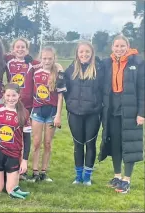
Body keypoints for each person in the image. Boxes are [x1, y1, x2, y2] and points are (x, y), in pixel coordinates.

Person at [99, 35, 144, 193]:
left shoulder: (137, 63)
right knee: (116, 144)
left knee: (129, 145)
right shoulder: (107, 63)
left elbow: (142, 89)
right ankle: (117, 176)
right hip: (113, 111)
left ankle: (127, 180)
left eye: (122, 46)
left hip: (130, 111)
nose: (119, 49)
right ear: (112, 47)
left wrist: (141, 113)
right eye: (116, 46)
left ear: (128, 46)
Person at [63, 41, 104, 186]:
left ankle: (87, 177)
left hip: (93, 113)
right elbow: (64, 89)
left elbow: (104, 90)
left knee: (90, 144)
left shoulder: (99, 69)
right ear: (77, 53)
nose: (84, 54)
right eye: (81, 52)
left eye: (87, 52)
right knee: (78, 145)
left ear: (92, 53)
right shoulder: (70, 69)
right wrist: (70, 104)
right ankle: (78, 176)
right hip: (74, 113)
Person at [26, 47, 65, 183]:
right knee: (36, 142)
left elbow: (60, 96)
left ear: (54, 59)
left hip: (52, 112)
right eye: (44, 58)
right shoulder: (35, 71)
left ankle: (44, 172)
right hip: (37, 111)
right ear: (40, 58)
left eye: (50, 58)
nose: (47, 61)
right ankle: (35, 172)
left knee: (47, 143)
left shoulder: (58, 74)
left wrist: (59, 115)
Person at [0, 83, 31, 199]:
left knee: (10, 190)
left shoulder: (24, 113)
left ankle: (11, 180)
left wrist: (24, 161)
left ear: (19, 95)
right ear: (3, 95)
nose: (11, 98)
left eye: (14, 95)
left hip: (13, 154)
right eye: (8, 95)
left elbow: (27, 140)